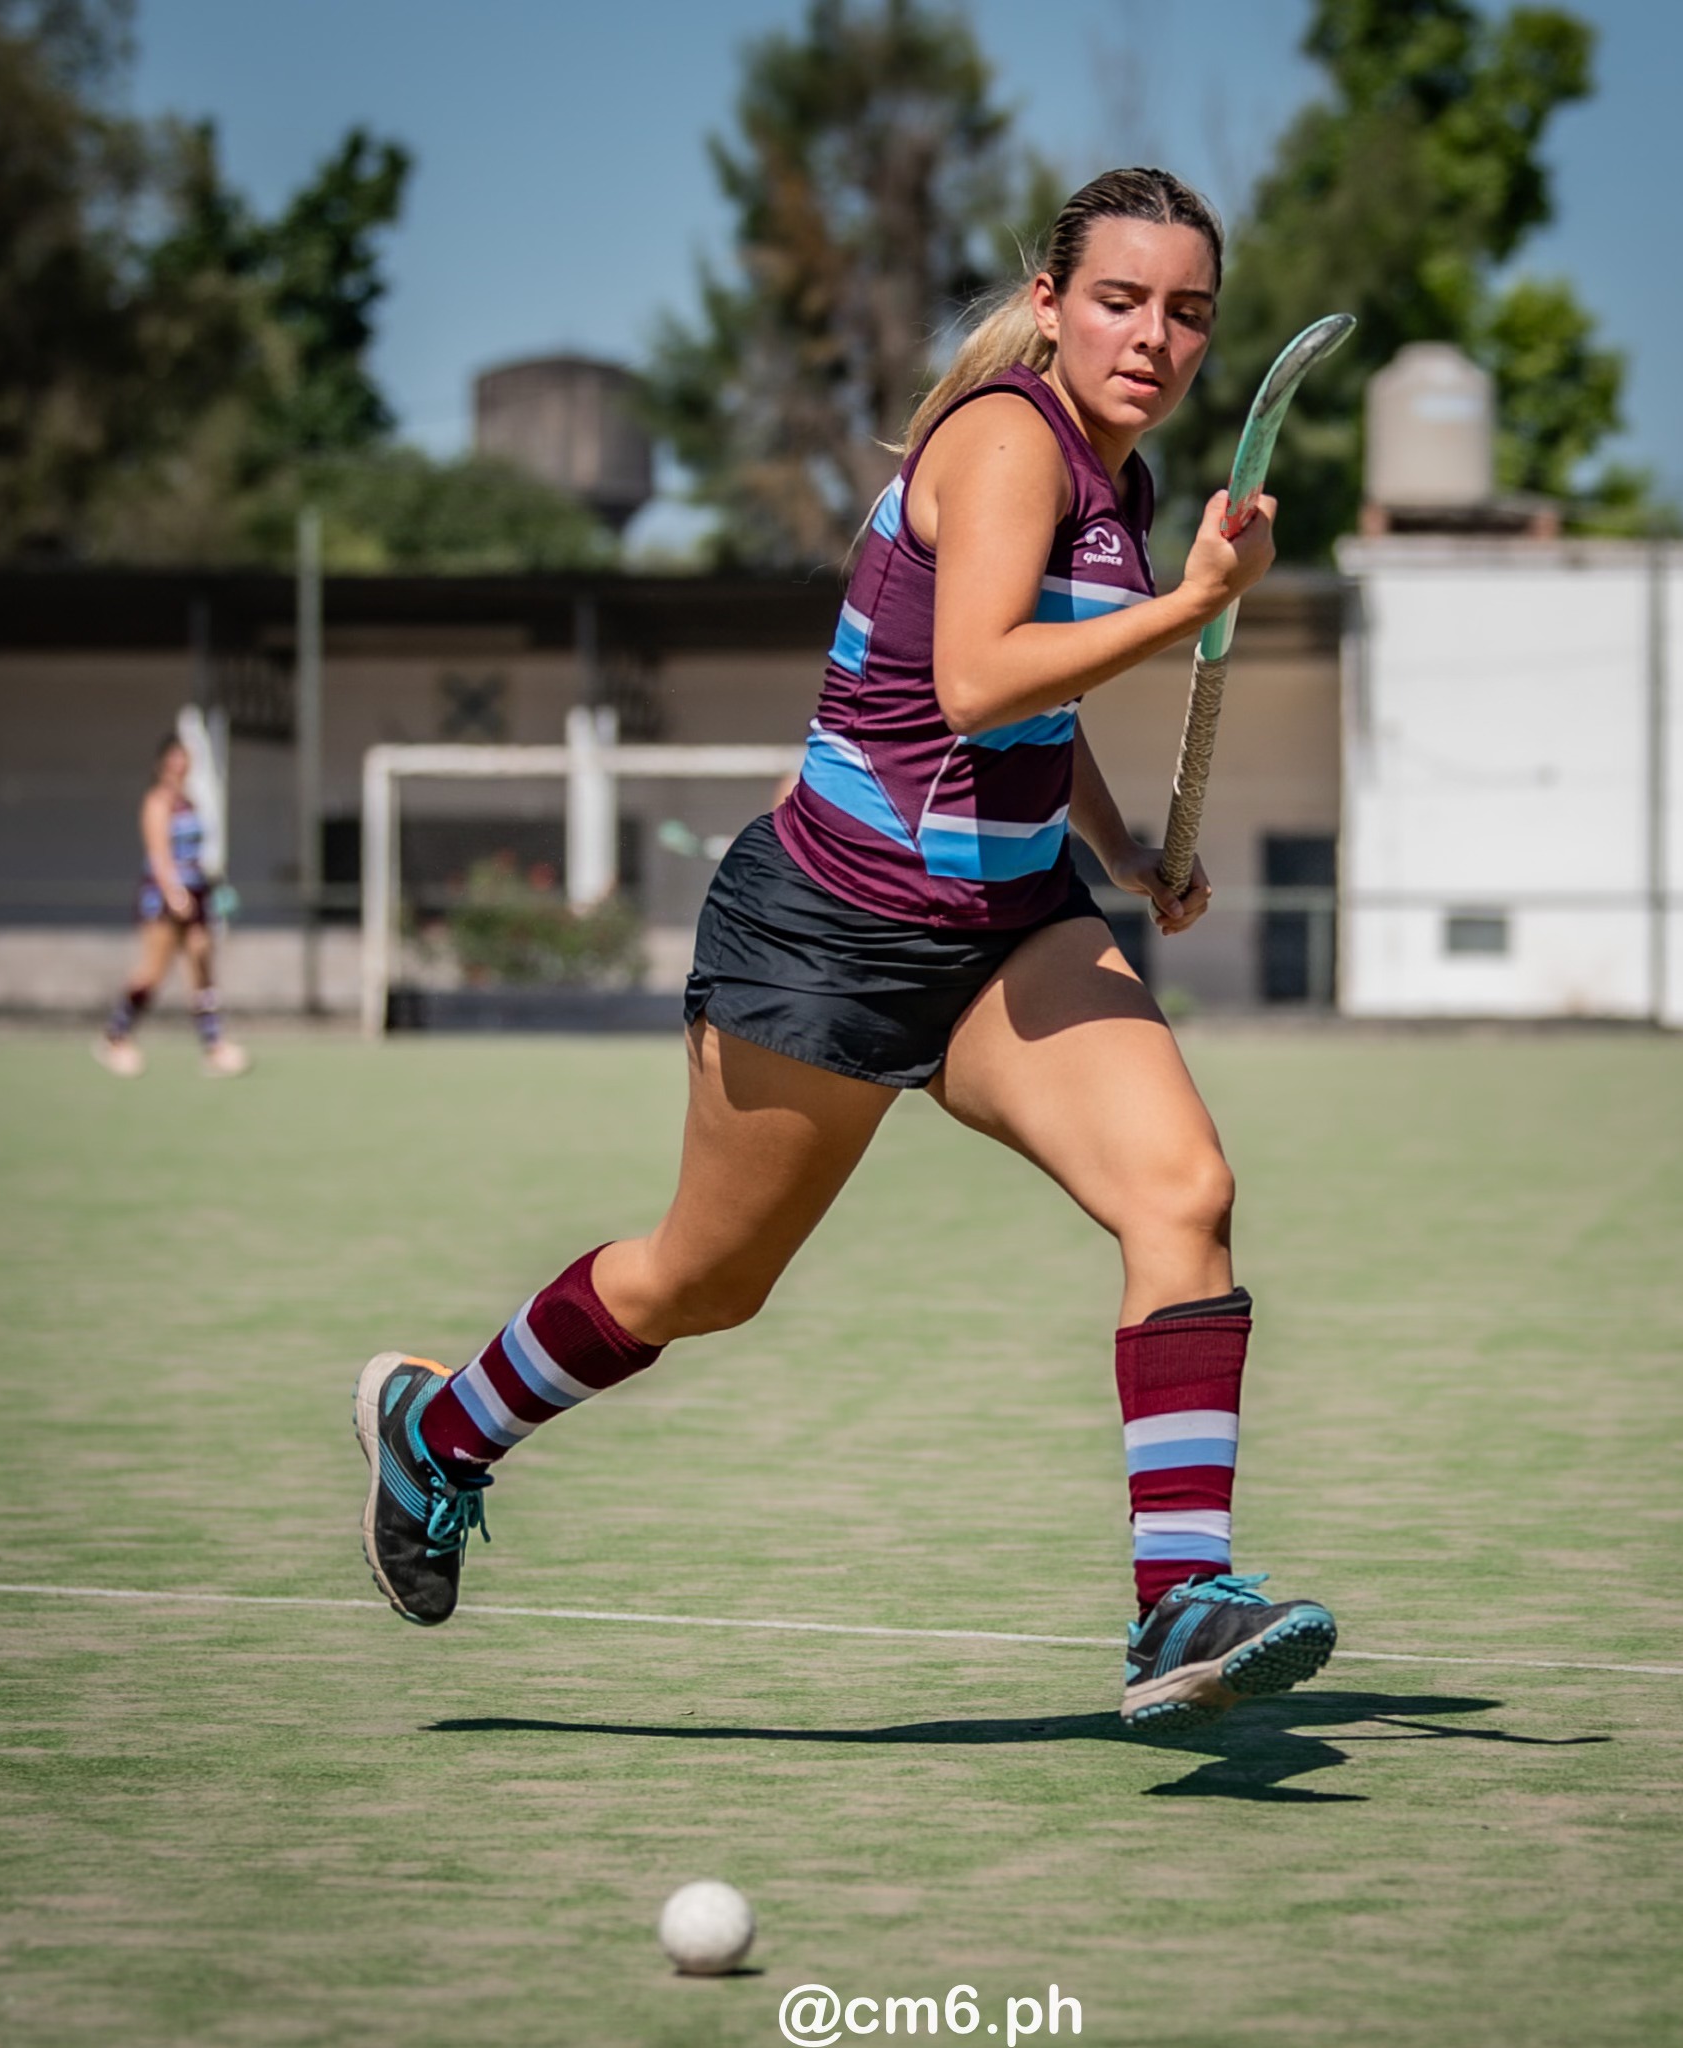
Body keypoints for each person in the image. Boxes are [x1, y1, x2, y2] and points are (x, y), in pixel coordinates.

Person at [355, 168, 1336, 1725]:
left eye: (1188, 313)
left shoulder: (1121, 481)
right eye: (1122, 300)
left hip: (1010, 928)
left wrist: (1118, 847)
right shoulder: (1008, 439)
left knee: (1183, 1192)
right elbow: (973, 682)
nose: (1156, 336)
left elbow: (1041, 706)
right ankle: (443, 1430)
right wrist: (1198, 606)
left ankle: (1181, 1606)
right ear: (1048, 305)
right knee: (702, 1280)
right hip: (831, 934)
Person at [94, 734, 250, 1079]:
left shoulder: (189, 802)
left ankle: (214, 1046)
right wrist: (173, 892)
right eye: (175, 759)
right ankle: (115, 1037)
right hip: (164, 899)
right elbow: (159, 854)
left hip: (197, 895)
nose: (180, 765)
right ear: (162, 763)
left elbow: (199, 856)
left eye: (185, 759)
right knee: (152, 971)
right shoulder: (157, 801)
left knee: (201, 964)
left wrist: (212, 889)